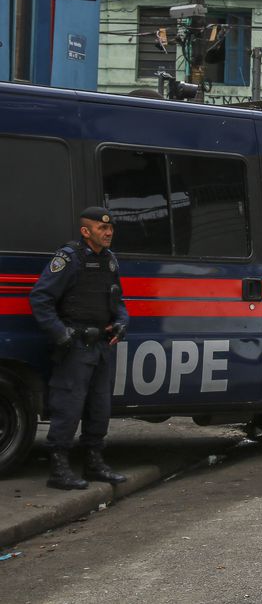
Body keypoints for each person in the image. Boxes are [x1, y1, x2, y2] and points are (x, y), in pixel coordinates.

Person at [28, 206, 130, 491]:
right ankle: (59, 469)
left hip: (102, 347)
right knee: (68, 407)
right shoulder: (69, 259)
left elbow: (117, 300)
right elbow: (40, 298)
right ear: (86, 231)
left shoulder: (110, 260)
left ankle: (94, 462)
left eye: (110, 228)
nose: (108, 232)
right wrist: (60, 335)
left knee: (100, 407)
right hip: (77, 346)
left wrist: (122, 322)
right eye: (102, 228)